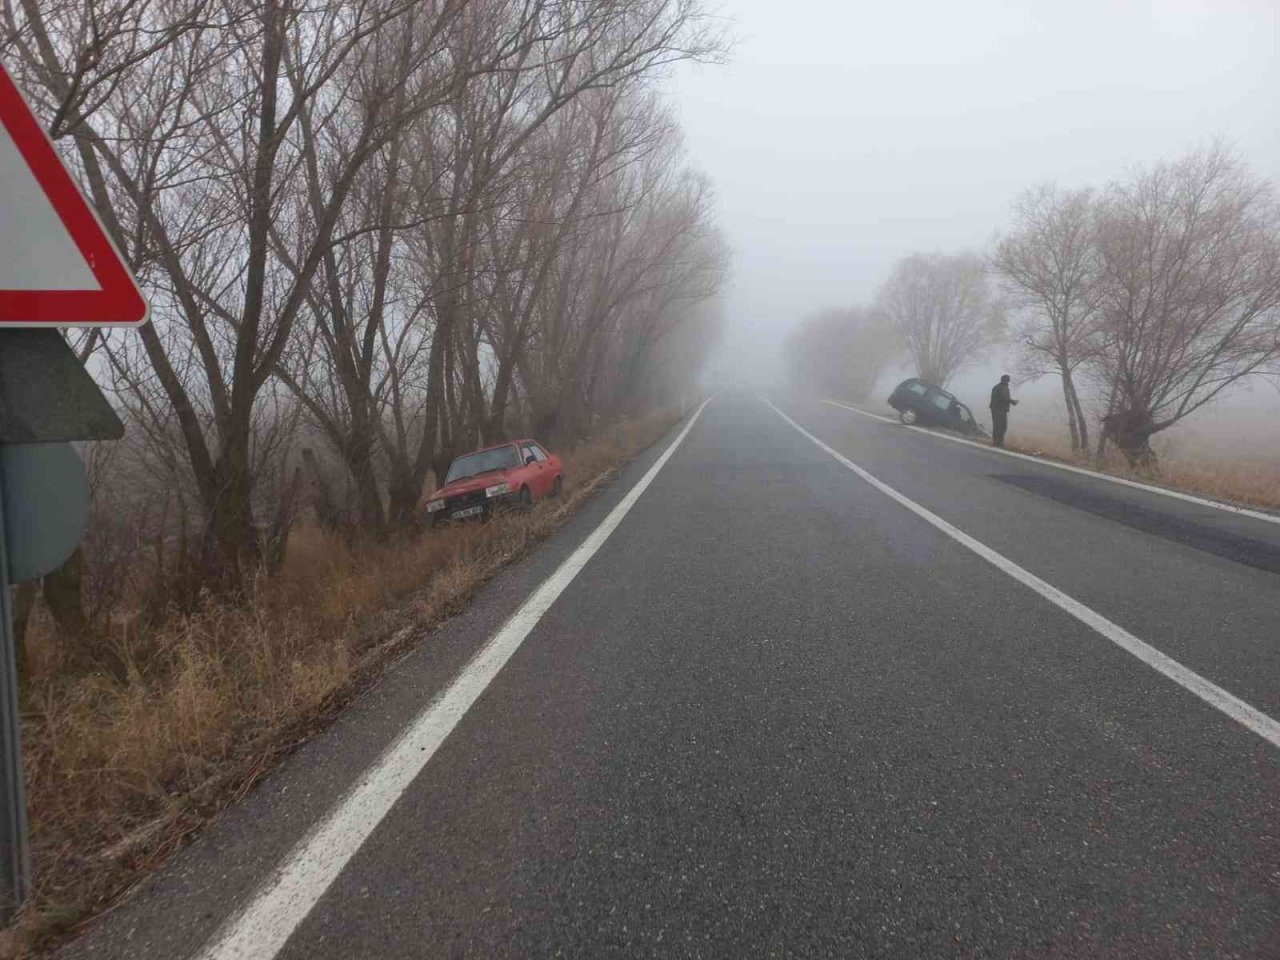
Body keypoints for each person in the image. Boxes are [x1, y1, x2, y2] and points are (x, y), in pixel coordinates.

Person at [989, 374, 1018, 447]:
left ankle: (995, 442)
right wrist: (1013, 402)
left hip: (994, 409)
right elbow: (1004, 398)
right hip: (1000, 410)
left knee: (996, 426)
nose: (1008, 382)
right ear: (1006, 380)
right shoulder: (1003, 387)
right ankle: (999, 443)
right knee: (1002, 426)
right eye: (1008, 380)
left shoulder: (996, 387)